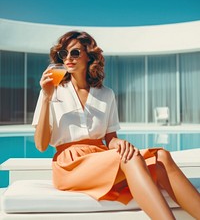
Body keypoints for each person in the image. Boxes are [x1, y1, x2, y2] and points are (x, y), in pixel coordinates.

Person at [32, 30, 200, 220]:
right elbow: (41, 145)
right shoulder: (51, 91)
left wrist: (119, 144)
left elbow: (110, 139)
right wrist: (46, 97)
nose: (68, 58)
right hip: (69, 165)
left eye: (75, 53)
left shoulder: (106, 94)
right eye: (64, 54)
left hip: (101, 157)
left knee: (161, 157)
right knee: (131, 159)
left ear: (89, 56)